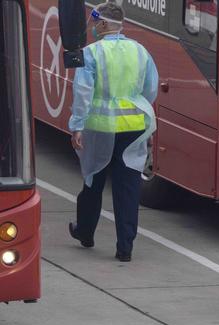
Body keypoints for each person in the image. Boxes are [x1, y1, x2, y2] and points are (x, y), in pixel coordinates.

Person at [67, 2, 159, 262]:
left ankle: (85, 232)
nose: (93, 26)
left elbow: (83, 93)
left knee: (93, 180)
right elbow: (150, 89)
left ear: (104, 24)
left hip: (100, 127)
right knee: (128, 187)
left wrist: (77, 125)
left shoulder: (91, 53)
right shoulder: (141, 52)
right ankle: (125, 248)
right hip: (133, 129)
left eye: (95, 21)